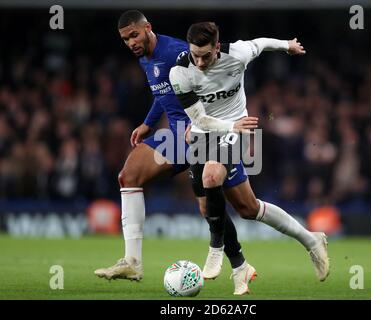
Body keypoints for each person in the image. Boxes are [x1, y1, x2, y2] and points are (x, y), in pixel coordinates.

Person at [94, 11, 257, 292]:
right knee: (129, 176)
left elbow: (211, 81)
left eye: (134, 35)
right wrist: (147, 124)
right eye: (125, 39)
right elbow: (165, 94)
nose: (131, 42)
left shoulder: (177, 52)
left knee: (246, 207)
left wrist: (218, 123)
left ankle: (246, 261)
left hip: (198, 136)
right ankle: (132, 260)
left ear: (148, 28)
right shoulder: (146, 59)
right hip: (174, 135)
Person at [169, 21, 330, 294]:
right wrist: (226, 127)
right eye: (194, 55)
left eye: (205, 56)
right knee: (241, 208)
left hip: (237, 127)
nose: (199, 62)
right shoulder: (180, 73)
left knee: (211, 176)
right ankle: (306, 241)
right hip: (204, 131)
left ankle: (215, 247)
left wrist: (286, 45)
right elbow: (200, 119)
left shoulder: (238, 54)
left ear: (217, 48)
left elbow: (261, 42)